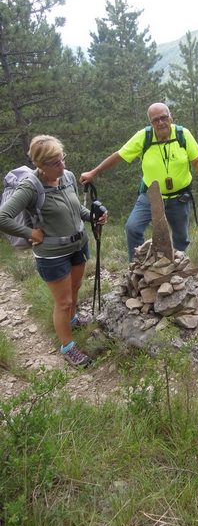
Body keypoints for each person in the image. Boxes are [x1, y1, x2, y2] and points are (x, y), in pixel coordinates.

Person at [0, 135, 108, 368]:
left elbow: (75, 207)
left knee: (76, 288)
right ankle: (68, 347)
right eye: (56, 163)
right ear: (41, 165)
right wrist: (29, 233)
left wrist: (93, 217)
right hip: (52, 254)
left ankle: (73, 320)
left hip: (79, 244)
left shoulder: (66, 177)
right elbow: (2, 217)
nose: (63, 166)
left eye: (63, 159)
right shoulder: (30, 186)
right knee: (64, 302)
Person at [80, 103, 198, 261]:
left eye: (164, 117)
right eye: (155, 120)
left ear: (170, 117)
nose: (161, 123)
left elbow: (197, 163)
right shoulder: (143, 137)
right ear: (150, 123)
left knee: (181, 237)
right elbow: (119, 156)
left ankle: (175, 267)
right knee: (132, 228)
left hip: (179, 196)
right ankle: (137, 265)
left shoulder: (183, 135)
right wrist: (94, 172)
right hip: (150, 195)